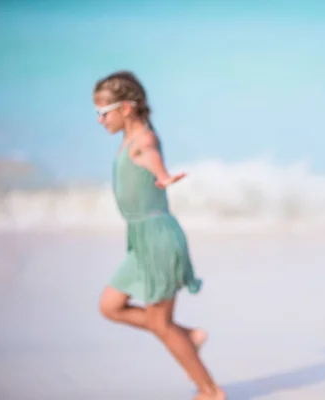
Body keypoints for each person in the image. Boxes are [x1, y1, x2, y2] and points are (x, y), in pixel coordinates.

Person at [93, 71, 225, 400]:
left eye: (102, 112)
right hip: (140, 241)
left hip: (158, 240)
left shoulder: (143, 140)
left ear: (125, 108)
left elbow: (150, 156)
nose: (99, 120)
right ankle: (187, 335)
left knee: (159, 323)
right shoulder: (130, 138)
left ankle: (211, 391)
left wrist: (163, 175)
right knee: (110, 306)